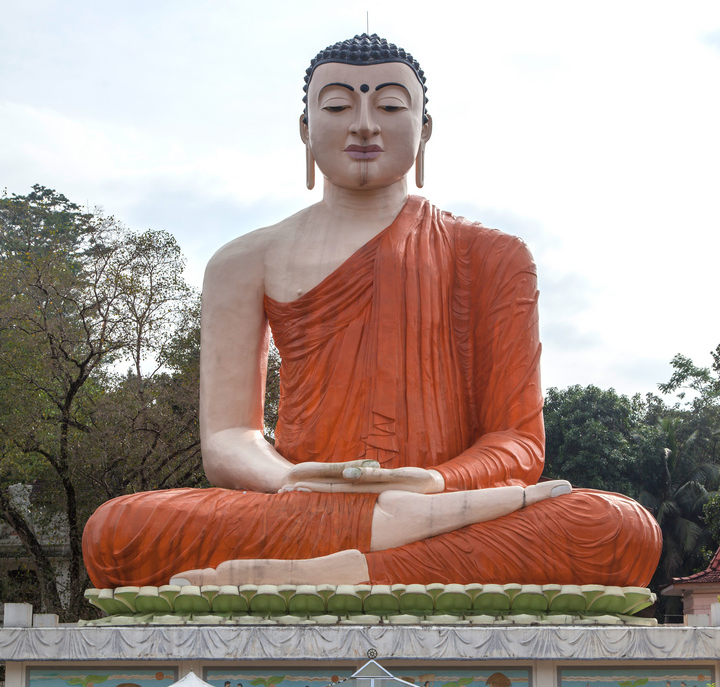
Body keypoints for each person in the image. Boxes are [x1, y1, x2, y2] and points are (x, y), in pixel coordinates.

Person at [82, 33, 661, 595]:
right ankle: (389, 550)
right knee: (116, 531)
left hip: (441, 502)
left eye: (389, 104)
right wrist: (292, 478)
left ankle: (339, 570)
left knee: (615, 527)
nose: (363, 124)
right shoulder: (244, 260)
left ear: (424, 128)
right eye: (337, 105)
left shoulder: (492, 254)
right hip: (302, 505)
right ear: (306, 130)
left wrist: (436, 481)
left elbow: (516, 442)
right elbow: (232, 435)